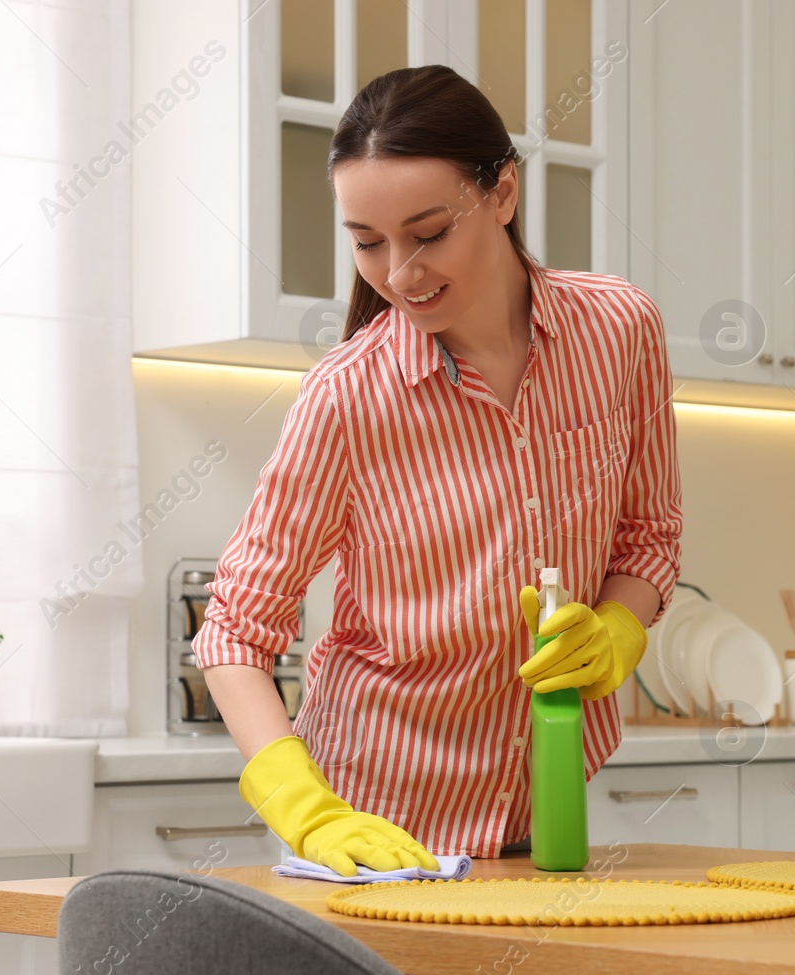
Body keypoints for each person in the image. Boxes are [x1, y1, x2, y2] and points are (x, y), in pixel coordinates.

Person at [193, 65, 682, 875]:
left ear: (503, 193)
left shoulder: (620, 329)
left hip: (539, 819)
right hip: (371, 835)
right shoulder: (347, 397)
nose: (400, 272)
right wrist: (304, 809)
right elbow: (236, 629)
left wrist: (619, 631)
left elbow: (648, 537)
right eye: (367, 241)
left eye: (428, 232)